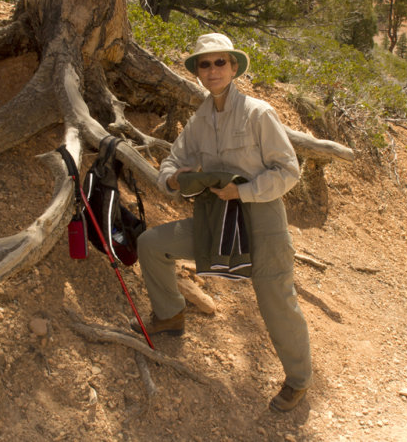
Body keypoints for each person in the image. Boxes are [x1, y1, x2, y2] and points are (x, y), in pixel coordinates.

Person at [130, 33, 312, 412]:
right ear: (197, 71)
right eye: (204, 63)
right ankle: (170, 315)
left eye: (219, 62)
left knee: (276, 297)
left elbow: (288, 171)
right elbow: (170, 162)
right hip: (214, 217)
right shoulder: (199, 120)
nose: (212, 70)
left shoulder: (259, 113)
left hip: (260, 217)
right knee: (151, 244)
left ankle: (298, 379)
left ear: (233, 67)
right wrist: (173, 179)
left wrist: (243, 192)